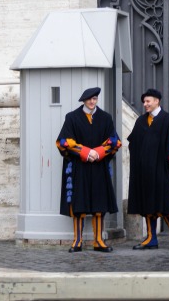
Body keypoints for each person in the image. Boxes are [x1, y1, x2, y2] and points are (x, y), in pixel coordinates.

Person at [56, 87, 121, 253]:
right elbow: (63, 141)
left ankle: (98, 240)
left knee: (100, 205)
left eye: (95, 99)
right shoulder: (72, 117)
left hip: (99, 167)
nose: (92, 102)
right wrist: (85, 152)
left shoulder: (106, 118)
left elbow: (115, 141)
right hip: (79, 167)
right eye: (89, 99)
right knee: (79, 205)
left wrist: (98, 153)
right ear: (84, 100)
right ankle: (77, 240)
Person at [128, 88, 169, 250]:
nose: (145, 104)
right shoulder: (141, 121)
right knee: (148, 204)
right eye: (144, 102)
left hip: (162, 170)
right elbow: (133, 142)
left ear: (157, 101)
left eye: (148, 101)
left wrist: (168, 158)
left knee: (164, 203)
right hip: (144, 172)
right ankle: (151, 238)